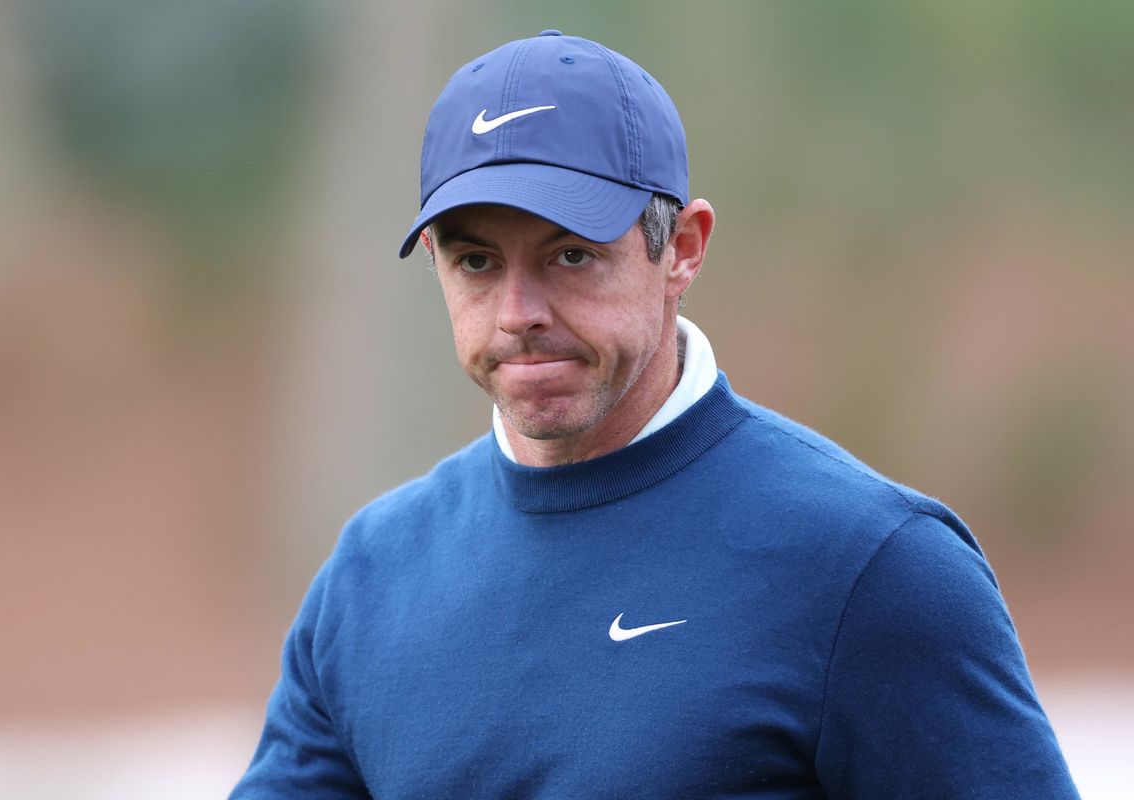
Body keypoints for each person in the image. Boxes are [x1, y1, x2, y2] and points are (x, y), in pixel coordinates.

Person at [231, 30, 1078, 799]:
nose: (517, 310)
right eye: (477, 262)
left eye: (570, 254)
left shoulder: (870, 567)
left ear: (682, 250)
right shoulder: (373, 575)